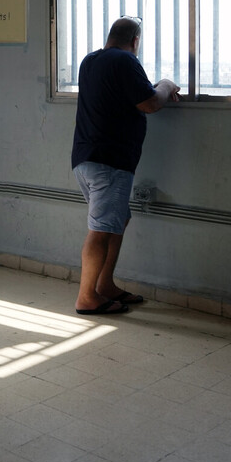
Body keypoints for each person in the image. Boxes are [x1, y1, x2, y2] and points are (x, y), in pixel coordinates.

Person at [71, 17, 179, 315]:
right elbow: (150, 103)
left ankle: (104, 286)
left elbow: (126, 96)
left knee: (116, 222)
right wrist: (167, 85)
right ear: (135, 41)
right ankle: (86, 297)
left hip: (86, 158)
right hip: (109, 162)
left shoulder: (90, 61)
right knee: (101, 229)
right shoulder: (124, 61)